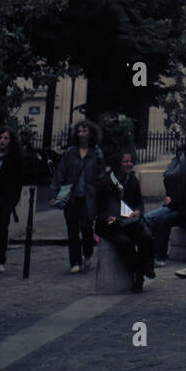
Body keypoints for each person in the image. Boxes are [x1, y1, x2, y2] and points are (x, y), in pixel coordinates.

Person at [50, 119, 105, 273]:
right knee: (72, 227)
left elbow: (101, 176)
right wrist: (54, 193)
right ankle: (75, 261)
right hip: (72, 195)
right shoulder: (70, 153)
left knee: (87, 227)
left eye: (84, 131)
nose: (81, 134)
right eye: (79, 131)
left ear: (91, 133)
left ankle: (87, 253)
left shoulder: (96, 153)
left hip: (88, 196)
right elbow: (60, 173)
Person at [95, 151, 155, 292]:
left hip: (129, 222)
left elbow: (139, 203)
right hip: (111, 225)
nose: (129, 164)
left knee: (147, 237)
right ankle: (138, 273)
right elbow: (99, 208)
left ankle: (148, 267)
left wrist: (138, 212)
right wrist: (109, 217)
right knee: (125, 243)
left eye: (130, 161)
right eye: (125, 162)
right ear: (117, 164)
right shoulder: (106, 182)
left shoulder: (132, 180)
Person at [0, 127, 23, 273]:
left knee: (1, 229)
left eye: (5, 138)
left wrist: (11, 201)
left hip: (4, 200)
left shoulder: (15, 159)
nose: (2, 141)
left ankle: (0, 259)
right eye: (0, 138)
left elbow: (17, 182)